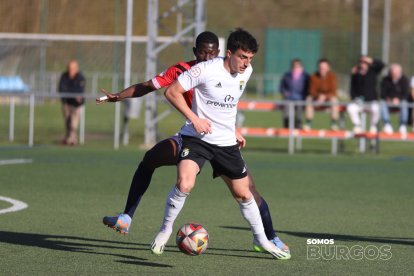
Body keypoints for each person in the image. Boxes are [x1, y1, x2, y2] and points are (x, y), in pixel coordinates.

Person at [97, 31, 290, 254]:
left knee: (247, 192)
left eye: (211, 53)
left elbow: (227, 103)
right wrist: (119, 96)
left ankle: (268, 238)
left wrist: (232, 129)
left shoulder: (241, 71)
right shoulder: (187, 70)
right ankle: (130, 217)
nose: (207, 57)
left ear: (219, 53)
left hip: (221, 139)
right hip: (192, 135)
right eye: (202, 53)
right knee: (161, 166)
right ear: (195, 52)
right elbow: (151, 87)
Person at [347, 56, 384, 134]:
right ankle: (357, 125)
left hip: (371, 101)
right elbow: (352, 89)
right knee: (351, 108)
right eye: (362, 62)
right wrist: (355, 98)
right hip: (359, 101)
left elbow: (381, 65)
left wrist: (371, 60)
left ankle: (373, 126)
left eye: (365, 63)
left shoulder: (373, 72)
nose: (363, 64)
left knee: (376, 108)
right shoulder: (355, 74)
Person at [305, 59, 339, 130]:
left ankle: (334, 123)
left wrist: (325, 97)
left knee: (334, 100)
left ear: (328, 68)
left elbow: (333, 91)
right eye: (320, 68)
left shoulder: (332, 76)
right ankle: (308, 123)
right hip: (316, 100)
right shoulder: (313, 76)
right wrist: (318, 96)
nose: (322, 69)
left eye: (324, 68)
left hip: (328, 101)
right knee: (308, 99)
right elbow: (311, 90)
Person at [58, 60, 86, 145]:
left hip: (77, 105)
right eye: (69, 68)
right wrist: (70, 92)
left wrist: (68, 90)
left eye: (73, 68)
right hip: (67, 103)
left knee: (73, 124)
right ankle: (69, 139)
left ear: (77, 69)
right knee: (67, 122)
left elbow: (78, 90)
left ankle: (72, 140)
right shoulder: (64, 76)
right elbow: (61, 88)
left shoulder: (80, 77)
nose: (71, 70)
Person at [380, 64, 410, 134]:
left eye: (396, 73)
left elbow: (406, 94)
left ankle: (402, 125)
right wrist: (389, 99)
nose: (394, 74)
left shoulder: (404, 80)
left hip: (400, 101)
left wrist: (398, 99)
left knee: (404, 103)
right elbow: (382, 93)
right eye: (393, 72)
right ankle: (387, 124)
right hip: (388, 102)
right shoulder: (385, 80)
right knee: (382, 103)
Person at [279, 59, 308, 128]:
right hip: (289, 98)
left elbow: (308, 89)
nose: (295, 68)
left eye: (297, 66)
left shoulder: (306, 77)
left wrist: (305, 96)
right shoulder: (287, 75)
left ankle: (298, 126)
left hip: (300, 99)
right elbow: (282, 87)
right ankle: (286, 126)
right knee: (287, 112)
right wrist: (285, 93)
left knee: (299, 112)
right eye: (294, 66)